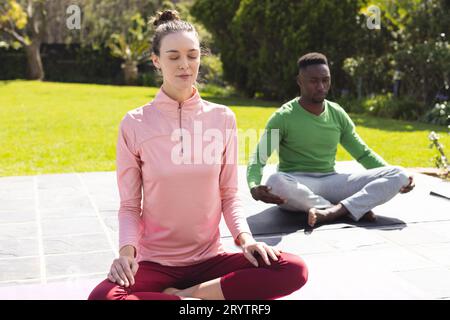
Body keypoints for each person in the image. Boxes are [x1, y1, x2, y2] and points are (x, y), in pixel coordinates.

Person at [88, 10, 308, 300]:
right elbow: (130, 205)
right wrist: (126, 254)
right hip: (155, 263)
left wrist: (246, 242)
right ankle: (198, 299)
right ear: (156, 61)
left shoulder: (223, 118)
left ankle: (189, 294)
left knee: (292, 268)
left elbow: (229, 195)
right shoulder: (135, 123)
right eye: (173, 56)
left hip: (211, 261)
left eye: (192, 55)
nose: (185, 65)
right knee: (102, 298)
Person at [247, 52, 415, 228]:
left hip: (332, 182)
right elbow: (259, 158)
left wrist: (398, 179)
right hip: (296, 183)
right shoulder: (283, 117)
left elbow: (363, 154)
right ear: (299, 81)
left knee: (400, 173)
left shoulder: (337, 113)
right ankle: (350, 207)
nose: (321, 86)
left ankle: (331, 212)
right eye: (313, 81)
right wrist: (254, 186)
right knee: (275, 183)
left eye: (325, 80)